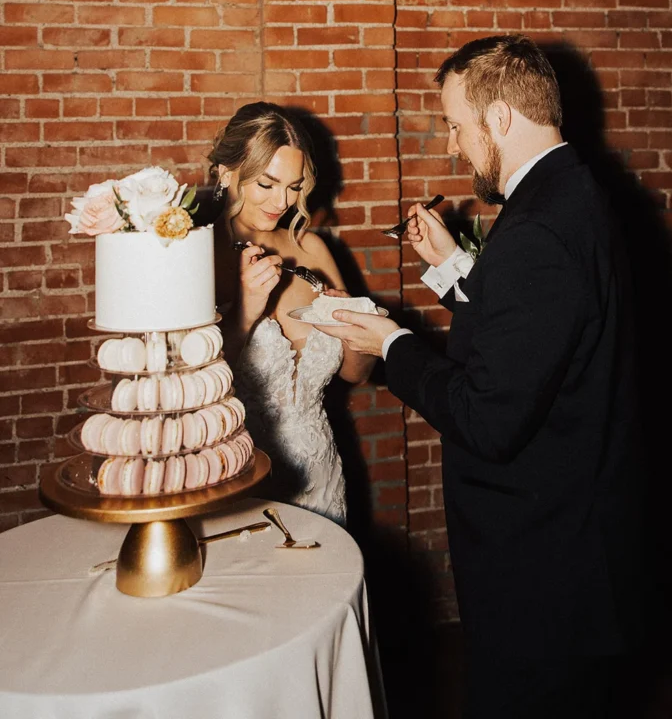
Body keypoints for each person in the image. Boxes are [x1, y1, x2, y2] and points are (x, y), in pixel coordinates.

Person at [316, 37, 643, 718]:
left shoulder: (535, 230)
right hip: (575, 541)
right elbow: (535, 337)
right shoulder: (572, 192)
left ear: (498, 120)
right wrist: (449, 267)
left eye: (458, 127)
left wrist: (391, 342)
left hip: (539, 558)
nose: (454, 147)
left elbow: (488, 417)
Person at [209, 101, 374, 525]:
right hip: (238, 480)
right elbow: (190, 389)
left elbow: (356, 373)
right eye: (267, 184)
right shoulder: (197, 258)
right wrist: (245, 311)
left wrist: (350, 326)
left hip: (322, 476)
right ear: (227, 172)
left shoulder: (312, 251)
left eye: (294, 186)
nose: (283, 200)